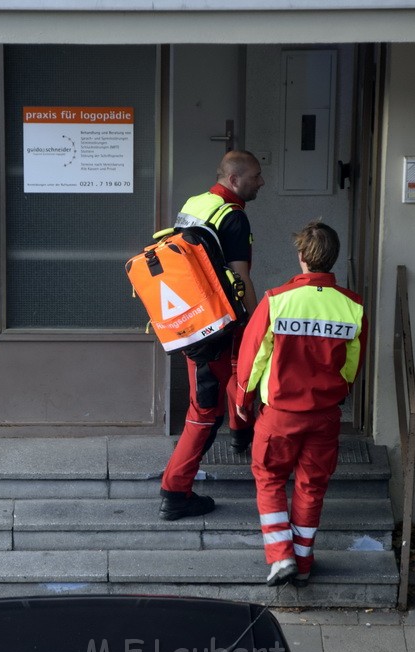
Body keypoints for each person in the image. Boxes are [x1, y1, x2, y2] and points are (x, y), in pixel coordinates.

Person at [234, 220, 367, 586]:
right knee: (311, 486)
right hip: (325, 416)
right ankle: (303, 563)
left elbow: (253, 357)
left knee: (270, 478)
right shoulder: (352, 306)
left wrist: (243, 398)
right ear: (333, 258)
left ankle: (280, 558)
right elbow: (351, 366)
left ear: (301, 257)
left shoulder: (277, 300)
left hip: (280, 415)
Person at [159, 150, 264, 521]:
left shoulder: (197, 202)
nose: (261, 182)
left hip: (194, 317)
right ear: (235, 180)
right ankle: (175, 491)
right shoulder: (233, 218)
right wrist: (255, 322)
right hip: (216, 326)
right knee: (204, 411)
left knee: (236, 372)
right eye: (255, 176)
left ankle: (240, 432)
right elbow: (241, 277)